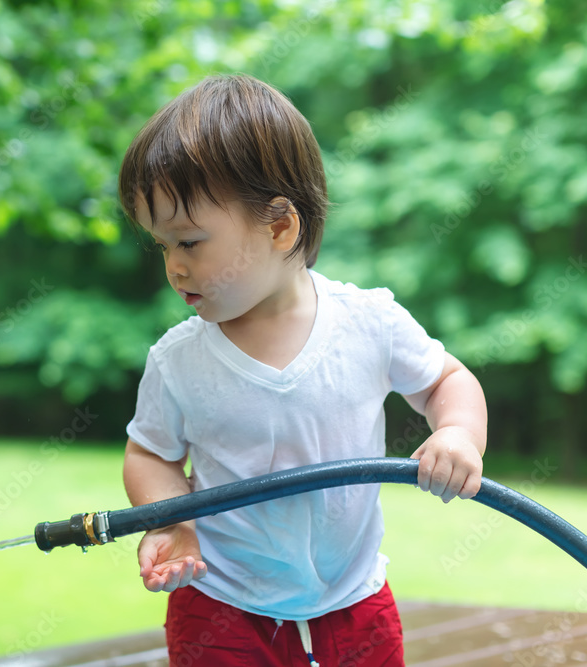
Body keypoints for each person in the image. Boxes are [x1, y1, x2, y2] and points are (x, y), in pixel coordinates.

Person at [118, 73, 487, 666]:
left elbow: (448, 380)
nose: (173, 267)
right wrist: (172, 523)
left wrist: (457, 432)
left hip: (353, 599)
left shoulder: (369, 323)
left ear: (279, 226)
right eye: (162, 246)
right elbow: (152, 453)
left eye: (189, 242)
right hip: (221, 605)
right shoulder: (178, 360)